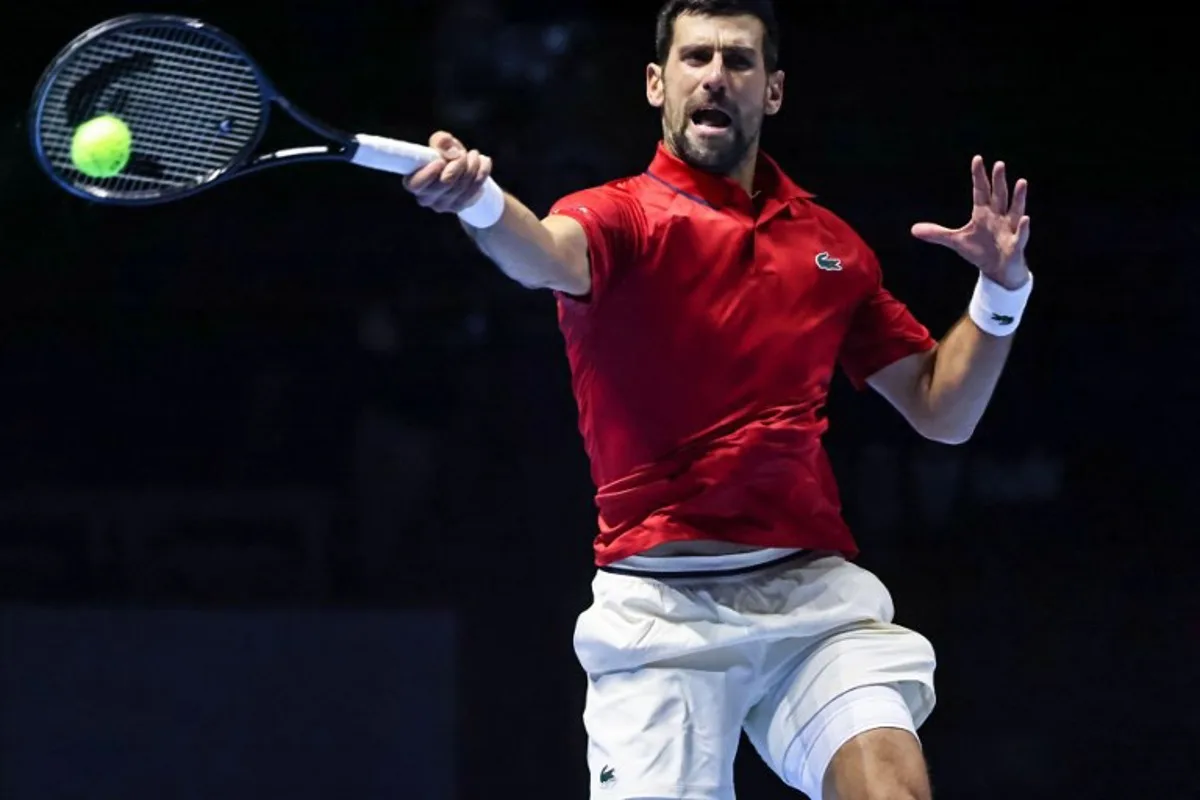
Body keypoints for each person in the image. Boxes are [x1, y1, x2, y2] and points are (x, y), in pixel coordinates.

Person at [402, 1, 1033, 797]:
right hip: (660, 619)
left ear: (771, 91)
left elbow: (943, 412)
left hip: (812, 601)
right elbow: (540, 255)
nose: (716, 76)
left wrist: (1000, 293)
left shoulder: (832, 248)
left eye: (739, 61)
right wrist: (479, 203)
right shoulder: (616, 216)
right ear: (656, 83)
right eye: (696, 58)